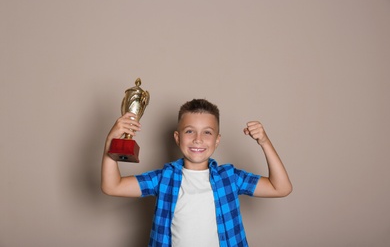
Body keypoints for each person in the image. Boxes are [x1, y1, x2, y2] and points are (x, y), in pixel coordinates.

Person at [101, 99, 292, 247]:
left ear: (217, 140)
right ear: (177, 137)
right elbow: (112, 186)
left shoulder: (230, 177)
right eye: (190, 131)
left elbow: (281, 188)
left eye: (207, 132)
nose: (198, 140)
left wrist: (264, 142)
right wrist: (111, 141)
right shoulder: (164, 178)